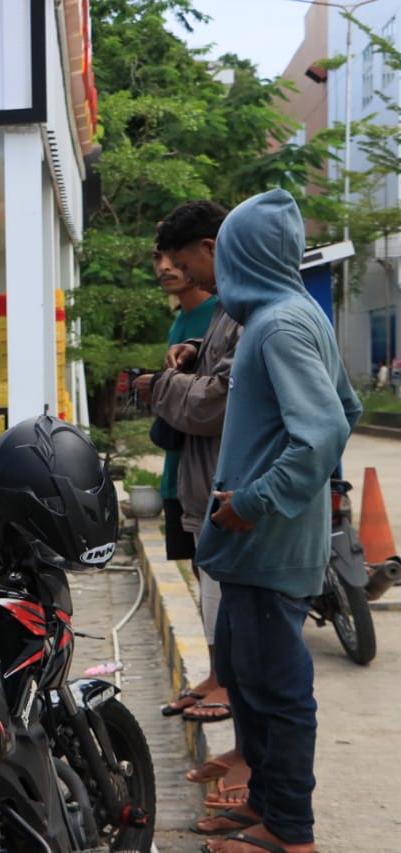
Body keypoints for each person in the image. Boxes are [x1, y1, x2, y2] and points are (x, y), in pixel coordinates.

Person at [197, 189, 361, 853]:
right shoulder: (294, 315)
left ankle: (290, 831)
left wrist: (256, 499)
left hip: (262, 538)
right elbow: (347, 408)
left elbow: (321, 430)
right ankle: (264, 804)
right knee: (249, 680)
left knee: (279, 690)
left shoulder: (279, 324)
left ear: (244, 254)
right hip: (253, 541)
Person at [147, 201, 254, 828]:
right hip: (212, 495)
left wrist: (259, 499)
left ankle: (277, 812)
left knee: (266, 668)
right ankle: (251, 768)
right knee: (237, 638)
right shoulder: (230, 317)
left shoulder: (267, 318)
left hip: (241, 507)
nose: (175, 270)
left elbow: (323, 423)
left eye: (182, 261)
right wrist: (190, 357)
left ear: (214, 250)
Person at [134, 242, 216, 576]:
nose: (165, 266)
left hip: (209, 475)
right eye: (157, 258)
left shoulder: (221, 314)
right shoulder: (180, 321)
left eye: (173, 257)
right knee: (201, 579)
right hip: (180, 472)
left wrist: (159, 386)